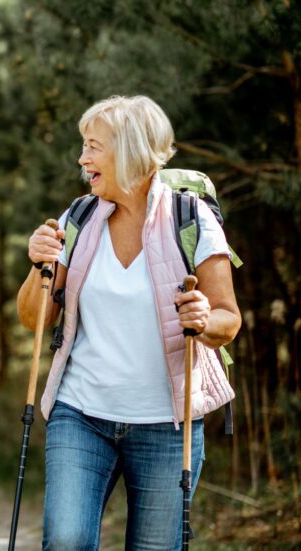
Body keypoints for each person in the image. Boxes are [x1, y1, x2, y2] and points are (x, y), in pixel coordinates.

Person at [17, 95, 241, 550]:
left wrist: (203, 318)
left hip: (166, 424)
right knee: (65, 541)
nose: (83, 158)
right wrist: (37, 263)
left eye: (94, 146)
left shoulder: (189, 220)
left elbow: (228, 320)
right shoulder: (77, 219)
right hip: (81, 414)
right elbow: (31, 318)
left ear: (131, 151)